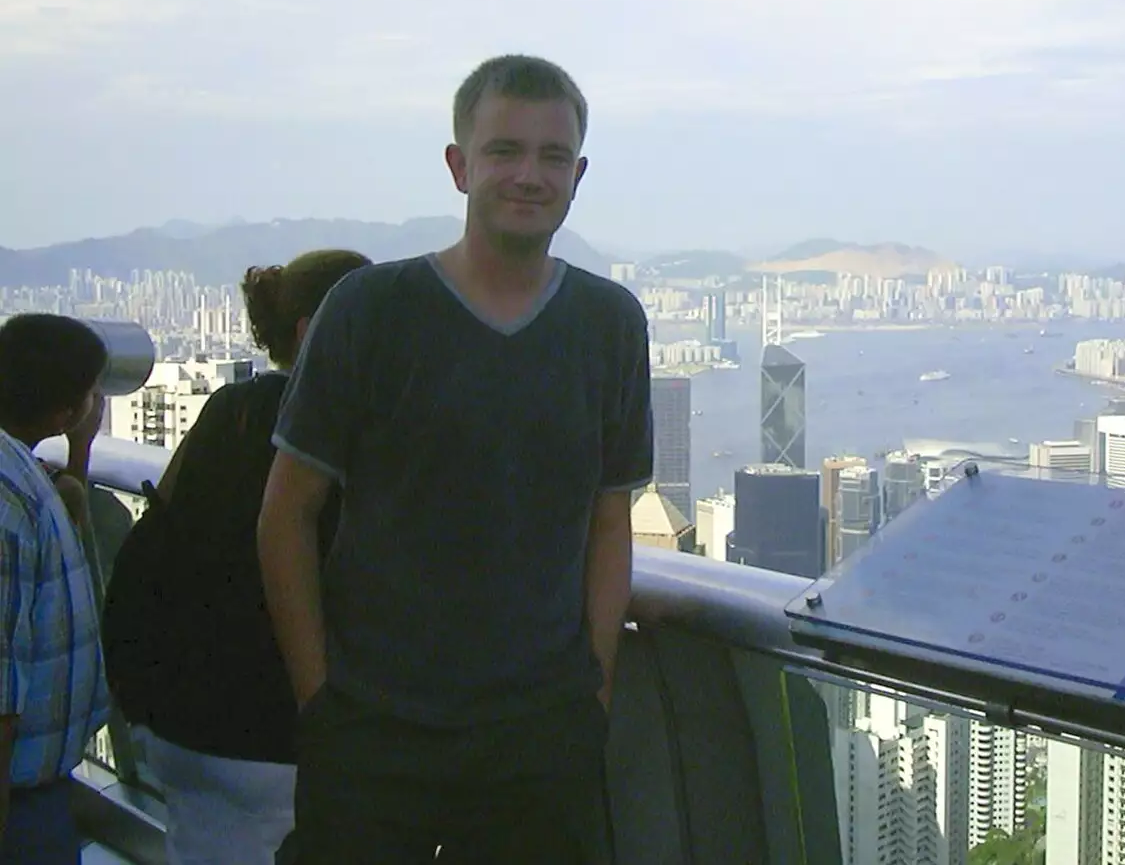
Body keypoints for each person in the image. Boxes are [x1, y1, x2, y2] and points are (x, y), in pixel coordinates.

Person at [259, 55, 652, 864]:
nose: (528, 174)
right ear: (458, 165)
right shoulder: (372, 310)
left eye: (552, 156)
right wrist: (321, 701)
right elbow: (285, 513)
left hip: (539, 737)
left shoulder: (610, 324)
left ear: (578, 175)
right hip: (374, 728)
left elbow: (610, 520)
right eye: (504, 150)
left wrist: (593, 695)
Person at [118, 250, 369, 865]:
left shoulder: (225, 414)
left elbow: (157, 539)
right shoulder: (351, 437)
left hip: (179, 722)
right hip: (280, 737)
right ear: (316, 331)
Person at [0, 315, 112, 865]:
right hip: (19, 804)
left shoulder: (23, 472)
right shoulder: (7, 499)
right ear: (63, 411)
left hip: (37, 792)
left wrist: (78, 453)